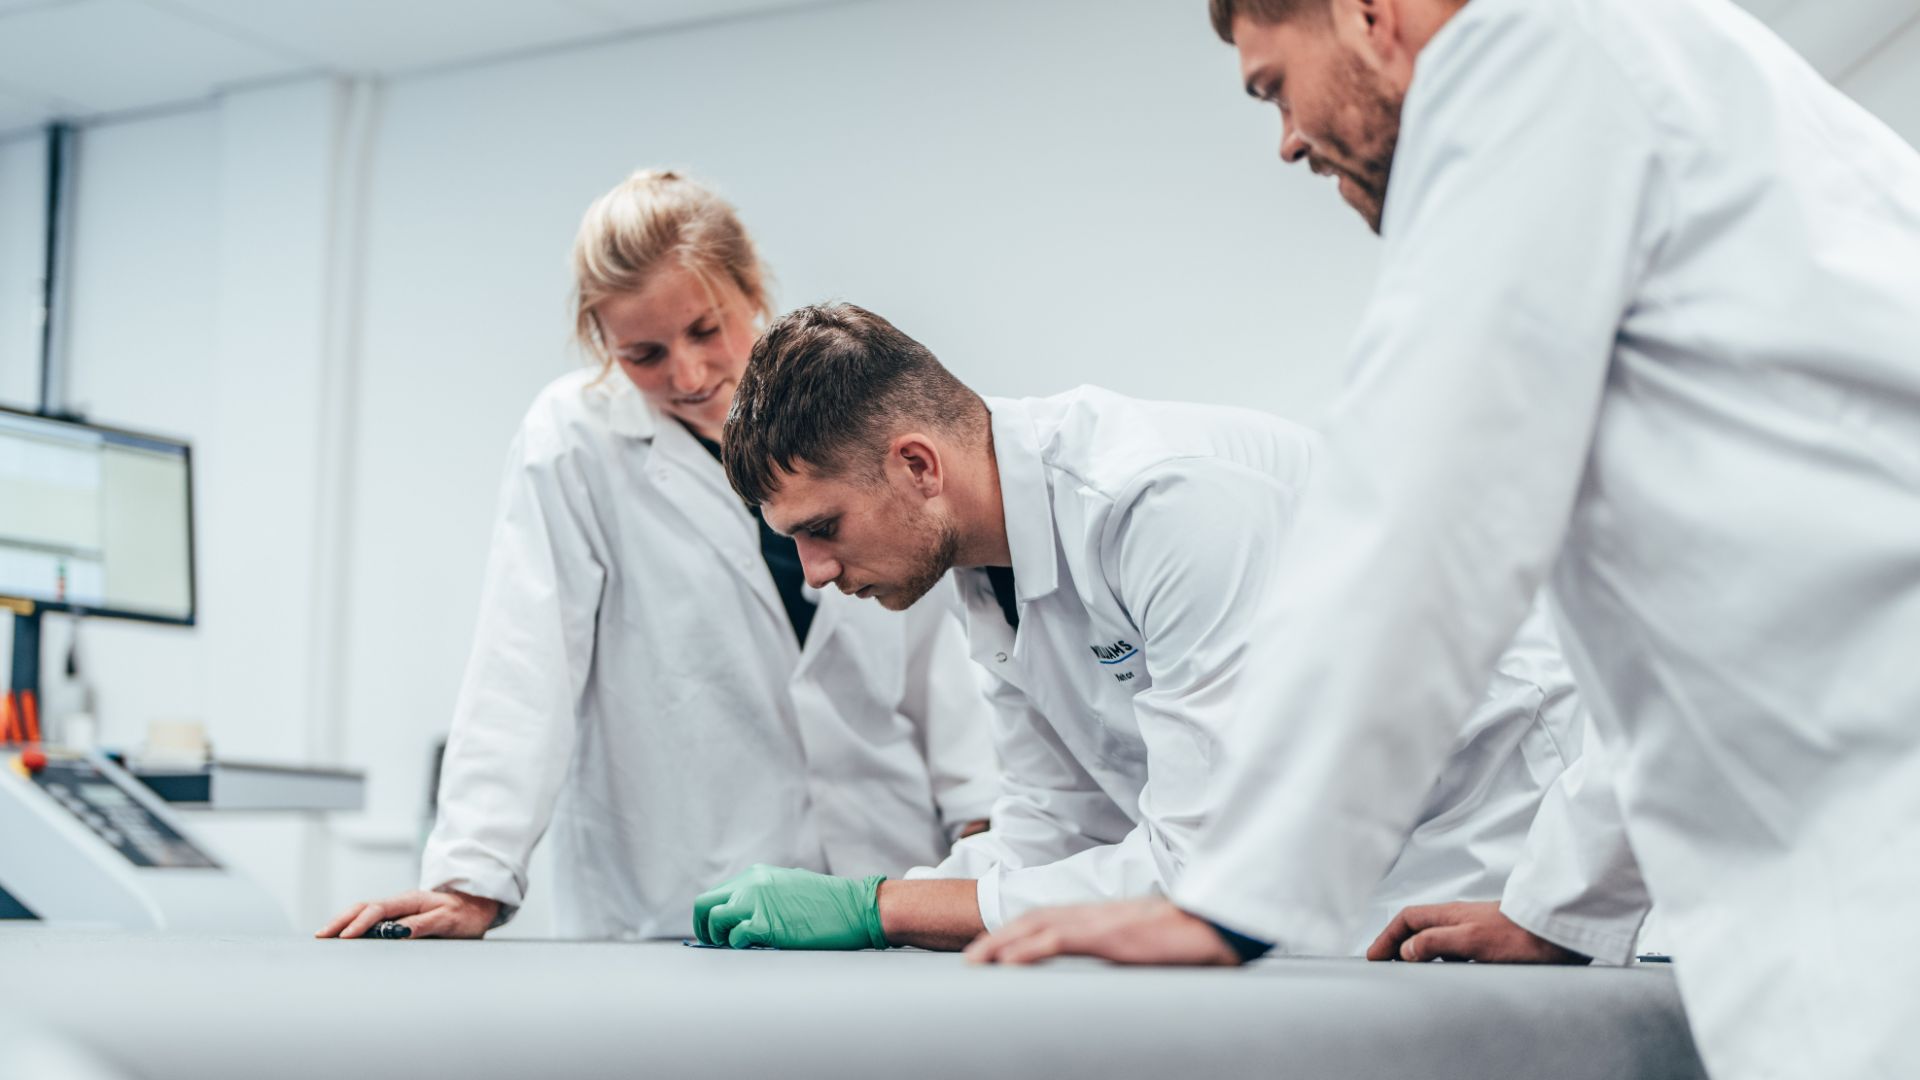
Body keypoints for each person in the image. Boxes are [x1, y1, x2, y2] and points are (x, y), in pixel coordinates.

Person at [966, 2, 1920, 1078]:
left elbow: (1420, 505)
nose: (1285, 138)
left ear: (1369, 13)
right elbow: (1719, 626)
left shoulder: (1528, 53)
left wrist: (1231, 901)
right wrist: (1564, 905)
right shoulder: (1658, 77)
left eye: (1273, 85)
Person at [686, 302, 1582, 954]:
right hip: (1343, 865)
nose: (816, 573)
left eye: (821, 527)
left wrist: (876, 907)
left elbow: (1200, 867)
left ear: (917, 465)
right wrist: (885, 904)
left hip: (1479, 833)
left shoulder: (1160, 503)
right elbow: (1055, 829)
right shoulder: (982, 570)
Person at [317, 171, 998, 942]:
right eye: (642, 353)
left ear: (752, 291)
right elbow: (527, 658)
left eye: (707, 330)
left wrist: (983, 833)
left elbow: (936, 651)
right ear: (600, 343)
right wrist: (469, 878)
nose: (687, 373)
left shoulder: (838, 412)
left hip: (883, 879)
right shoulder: (577, 442)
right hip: (677, 894)